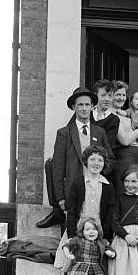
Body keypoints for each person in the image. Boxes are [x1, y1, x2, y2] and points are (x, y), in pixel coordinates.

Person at [36, 87, 114, 229]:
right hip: (72, 190)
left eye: (87, 105)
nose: (84, 109)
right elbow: (57, 168)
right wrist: (60, 197)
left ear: (92, 107)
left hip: (95, 189)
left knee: (94, 229)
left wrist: (101, 172)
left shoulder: (99, 132)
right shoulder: (64, 133)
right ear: (74, 107)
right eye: (80, 105)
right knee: (71, 231)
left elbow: (109, 160)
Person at [54, 145, 116, 271]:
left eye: (100, 160)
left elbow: (110, 213)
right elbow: (71, 211)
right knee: (74, 264)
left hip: (98, 230)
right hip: (79, 227)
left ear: (104, 163)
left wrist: (107, 237)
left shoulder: (108, 187)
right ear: (86, 161)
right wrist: (71, 234)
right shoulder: (78, 183)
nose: (96, 163)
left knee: (94, 264)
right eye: (92, 159)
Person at [111, 81, 138, 197]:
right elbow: (125, 140)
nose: (121, 98)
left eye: (124, 95)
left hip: (137, 154)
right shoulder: (114, 114)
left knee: (136, 190)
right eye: (118, 95)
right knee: (124, 192)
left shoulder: (132, 114)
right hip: (125, 156)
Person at [91, 79, 121, 150]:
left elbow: (106, 145)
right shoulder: (87, 112)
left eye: (110, 96)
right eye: (103, 95)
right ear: (95, 95)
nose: (107, 99)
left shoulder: (114, 120)